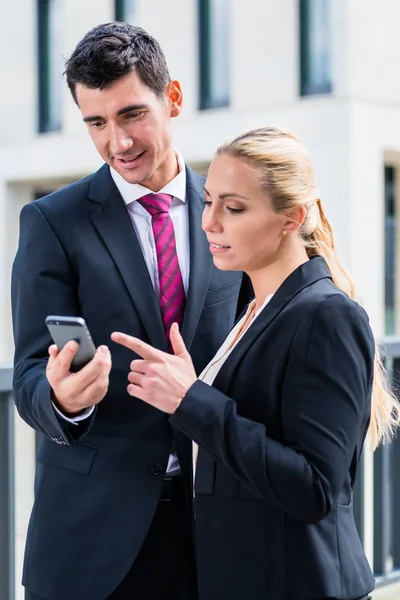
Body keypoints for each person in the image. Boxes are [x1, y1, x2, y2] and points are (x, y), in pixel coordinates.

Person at [11, 22, 251, 600]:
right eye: (97, 122)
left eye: (132, 115)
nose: (117, 142)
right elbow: (26, 379)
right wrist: (63, 402)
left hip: (215, 529)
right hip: (93, 544)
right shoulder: (52, 223)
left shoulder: (231, 214)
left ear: (172, 98)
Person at [112, 125, 400, 600]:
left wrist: (192, 401)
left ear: (292, 218)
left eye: (235, 207)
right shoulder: (254, 308)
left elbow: (315, 489)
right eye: (208, 201)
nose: (210, 221)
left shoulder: (327, 314)